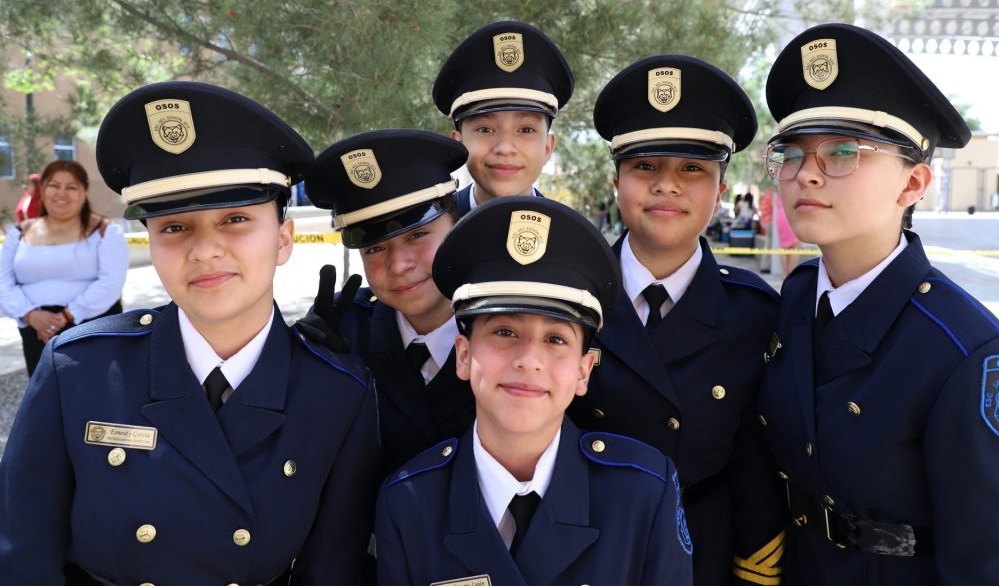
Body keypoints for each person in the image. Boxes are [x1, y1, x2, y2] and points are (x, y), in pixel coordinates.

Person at [0, 81, 380, 585]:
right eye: (174, 227)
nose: (204, 251)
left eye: (236, 219)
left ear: (283, 239)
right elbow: (21, 554)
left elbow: (330, 571)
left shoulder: (337, 393)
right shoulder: (78, 369)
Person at [758, 23, 999, 585]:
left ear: (913, 184)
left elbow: (993, 565)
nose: (806, 174)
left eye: (843, 152)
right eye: (792, 153)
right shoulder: (800, 296)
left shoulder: (974, 357)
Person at [376, 196, 694, 585]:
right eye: (504, 332)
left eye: (556, 339)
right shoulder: (408, 502)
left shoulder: (643, 494)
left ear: (583, 371)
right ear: (464, 356)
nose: (529, 360)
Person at [567, 54, 788, 586]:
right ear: (616, 180)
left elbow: (757, 466)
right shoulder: (568, 298)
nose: (667, 185)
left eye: (692, 168)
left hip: (702, 555)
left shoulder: (755, 313)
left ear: (720, 189)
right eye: (645, 166)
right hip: (583, 548)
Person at [300, 129, 476, 476]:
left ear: (458, 229)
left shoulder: (507, 332)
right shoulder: (342, 334)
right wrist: (299, 367)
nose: (398, 265)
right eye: (375, 248)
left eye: (418, 235)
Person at [0, 159, 128, 376]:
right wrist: (30, 315)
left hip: (92, 326)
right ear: (43, 190)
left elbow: (111, 282)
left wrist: (68, 315)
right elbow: (3, 281)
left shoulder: (106, 231)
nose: (62, 193)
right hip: (35, 329)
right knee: (44, 391)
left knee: (94, 390)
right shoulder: (19, 233)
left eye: (71, 187)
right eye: (54, 185)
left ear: (84, 192)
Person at [433, 20, 573, 215]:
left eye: (526, 130)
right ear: (459, 144)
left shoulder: (568, 232)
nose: (505, 148)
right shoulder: (435, 230)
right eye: (485, 129)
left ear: (548, 148)